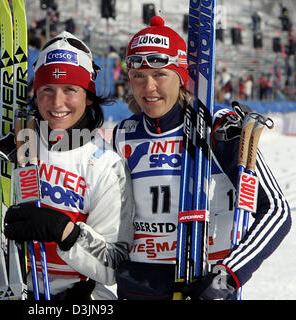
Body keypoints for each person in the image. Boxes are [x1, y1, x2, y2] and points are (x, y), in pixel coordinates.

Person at [113, 16, 291, 300]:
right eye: (138, 76)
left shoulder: (220, 129)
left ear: (181, 76)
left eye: (159, 75)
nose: (148, 88)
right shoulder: (124, 134)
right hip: (137, 288)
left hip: (203, 285)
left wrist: (228, 276)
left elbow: (276, 211)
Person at [0, 31, 135, 300]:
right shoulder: (13, 146)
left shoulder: (107, 165)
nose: (57, 102)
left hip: (73, 294)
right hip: (10, 286)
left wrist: (66, 232)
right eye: (47, 89)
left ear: (88, 96)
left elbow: (112, 264)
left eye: (70, 90)